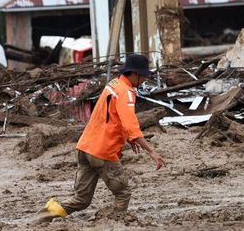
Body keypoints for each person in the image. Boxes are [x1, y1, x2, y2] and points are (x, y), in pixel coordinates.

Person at [34, 54, 166, 223]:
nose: (145, 79)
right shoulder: (126, 93)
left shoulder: (113, 84)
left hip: (85, 147)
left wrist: (129, 139)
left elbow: (112, 117)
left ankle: (43, 216)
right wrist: (152, 152)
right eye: (144, 75)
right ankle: (114, 223)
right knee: (123, 193)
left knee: (81, 200)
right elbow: (131, 125)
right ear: (134, 74)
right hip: (103, 151)